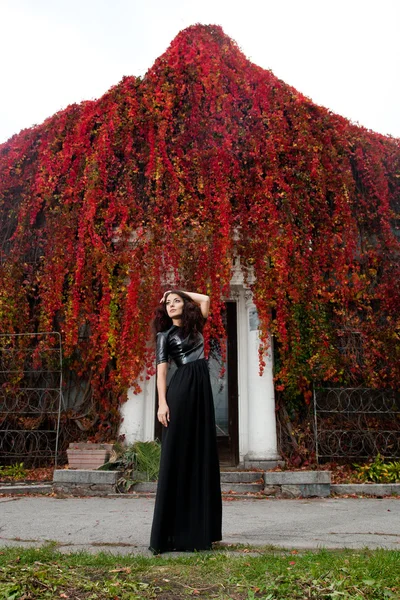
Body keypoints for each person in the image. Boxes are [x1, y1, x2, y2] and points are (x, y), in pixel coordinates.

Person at [149, 289, 222, 554]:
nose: (171, 305)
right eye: (167, 303)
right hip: (180, 391)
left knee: (200, 453)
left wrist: (173, 289)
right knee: (176, 454)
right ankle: (168, 535)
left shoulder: (196, 325)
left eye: (176, 301)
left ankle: (199, 533)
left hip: (202, 391)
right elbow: (161, 374)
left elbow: (205, 299)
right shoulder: (164, 337)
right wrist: (163, 403)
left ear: (185, 305)